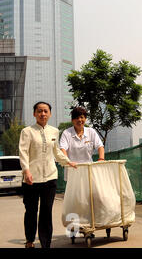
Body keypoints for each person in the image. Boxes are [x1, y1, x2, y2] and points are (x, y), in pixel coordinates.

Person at [19, 101, 78, 248]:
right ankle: (30, 240)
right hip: (31, 179)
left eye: (45, 111)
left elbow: (56, 152)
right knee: (31, 211)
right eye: (39, 111)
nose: (42, 114)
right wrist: (26, 171)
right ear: (34, 114)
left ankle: (46, 243)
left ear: (50, 114)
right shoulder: (27, 131)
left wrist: (67, 161)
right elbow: (23, 152)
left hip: (50, 178)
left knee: (46, 212)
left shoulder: (54, 131)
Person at [59, 107, 105, 180]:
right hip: (72, 169)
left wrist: (101, 159)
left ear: (85, 119)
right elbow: (62, 148)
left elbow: (100, 146)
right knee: (74, 191)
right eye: (76, 118)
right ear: (72, 120)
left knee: (90, 190)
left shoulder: (91, 131)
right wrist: (68, 162)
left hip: (89, 170)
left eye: (82, 117)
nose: (79, 120)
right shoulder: (66, 133)